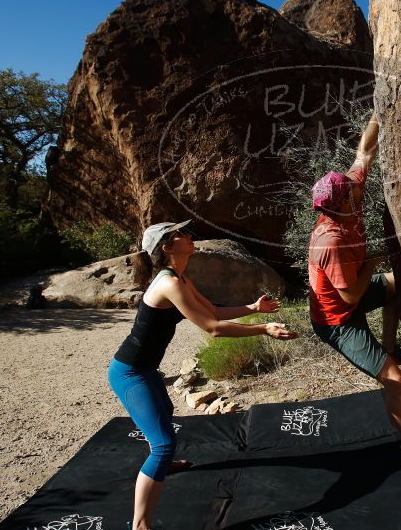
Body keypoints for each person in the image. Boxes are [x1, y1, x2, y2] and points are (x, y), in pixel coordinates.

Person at [108, 221, 297, 530]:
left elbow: (211, 310)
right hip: (129, 372)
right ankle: (140, 524)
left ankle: (164, 466)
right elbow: (212, 328)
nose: (190, 236)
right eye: (181, 234)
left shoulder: (179, 278)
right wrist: (263, 328)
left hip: (145, 369)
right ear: (168, 247)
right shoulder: (168, 284)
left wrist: (253, 307)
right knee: (163, 445)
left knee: (165, 413)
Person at [308, 114, 401, 465]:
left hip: (349, 295)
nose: (359, 188)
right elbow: (349, 297)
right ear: (341, 203)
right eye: (352, 191)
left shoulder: (345, 196)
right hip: (337, 320)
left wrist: (379, 114)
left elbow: (364, 153)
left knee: (396, 286)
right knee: (393, 378)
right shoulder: (331, 242)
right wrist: (372, 264)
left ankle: (389, 345)